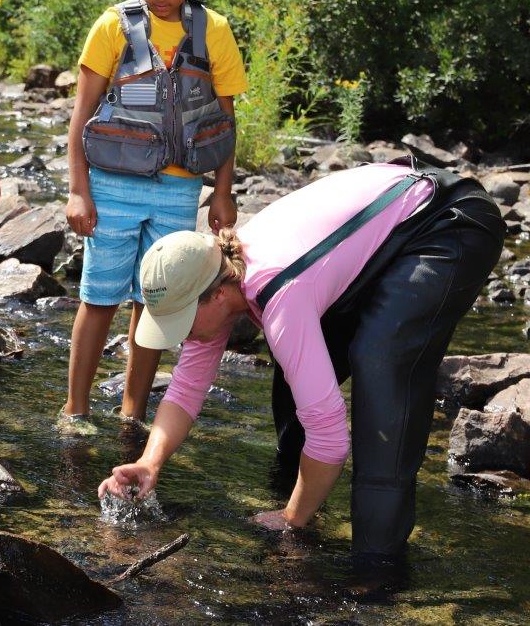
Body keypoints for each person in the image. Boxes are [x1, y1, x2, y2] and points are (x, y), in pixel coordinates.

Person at [98, 160, 504, 560]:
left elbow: (329, 436)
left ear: (217, 295)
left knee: (379, 364)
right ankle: (306, 510)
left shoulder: (279, 294)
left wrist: (292, 520)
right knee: (298, 387)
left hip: (445, 221)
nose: (181, 335)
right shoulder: (217, 273)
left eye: (182, 321)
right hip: (380, 239)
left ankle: (376, 575)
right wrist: (150, 462)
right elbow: (186, 390)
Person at [60, 0, 247, 431]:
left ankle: (132, 413)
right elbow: (81, 116)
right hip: (113, 185)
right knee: (99, 297)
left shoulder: (215, 31)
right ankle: (75, 410)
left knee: (155, 298)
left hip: (181, 189)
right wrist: (79, 191)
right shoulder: (112, 27)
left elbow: (225, 120)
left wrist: (222, 194)